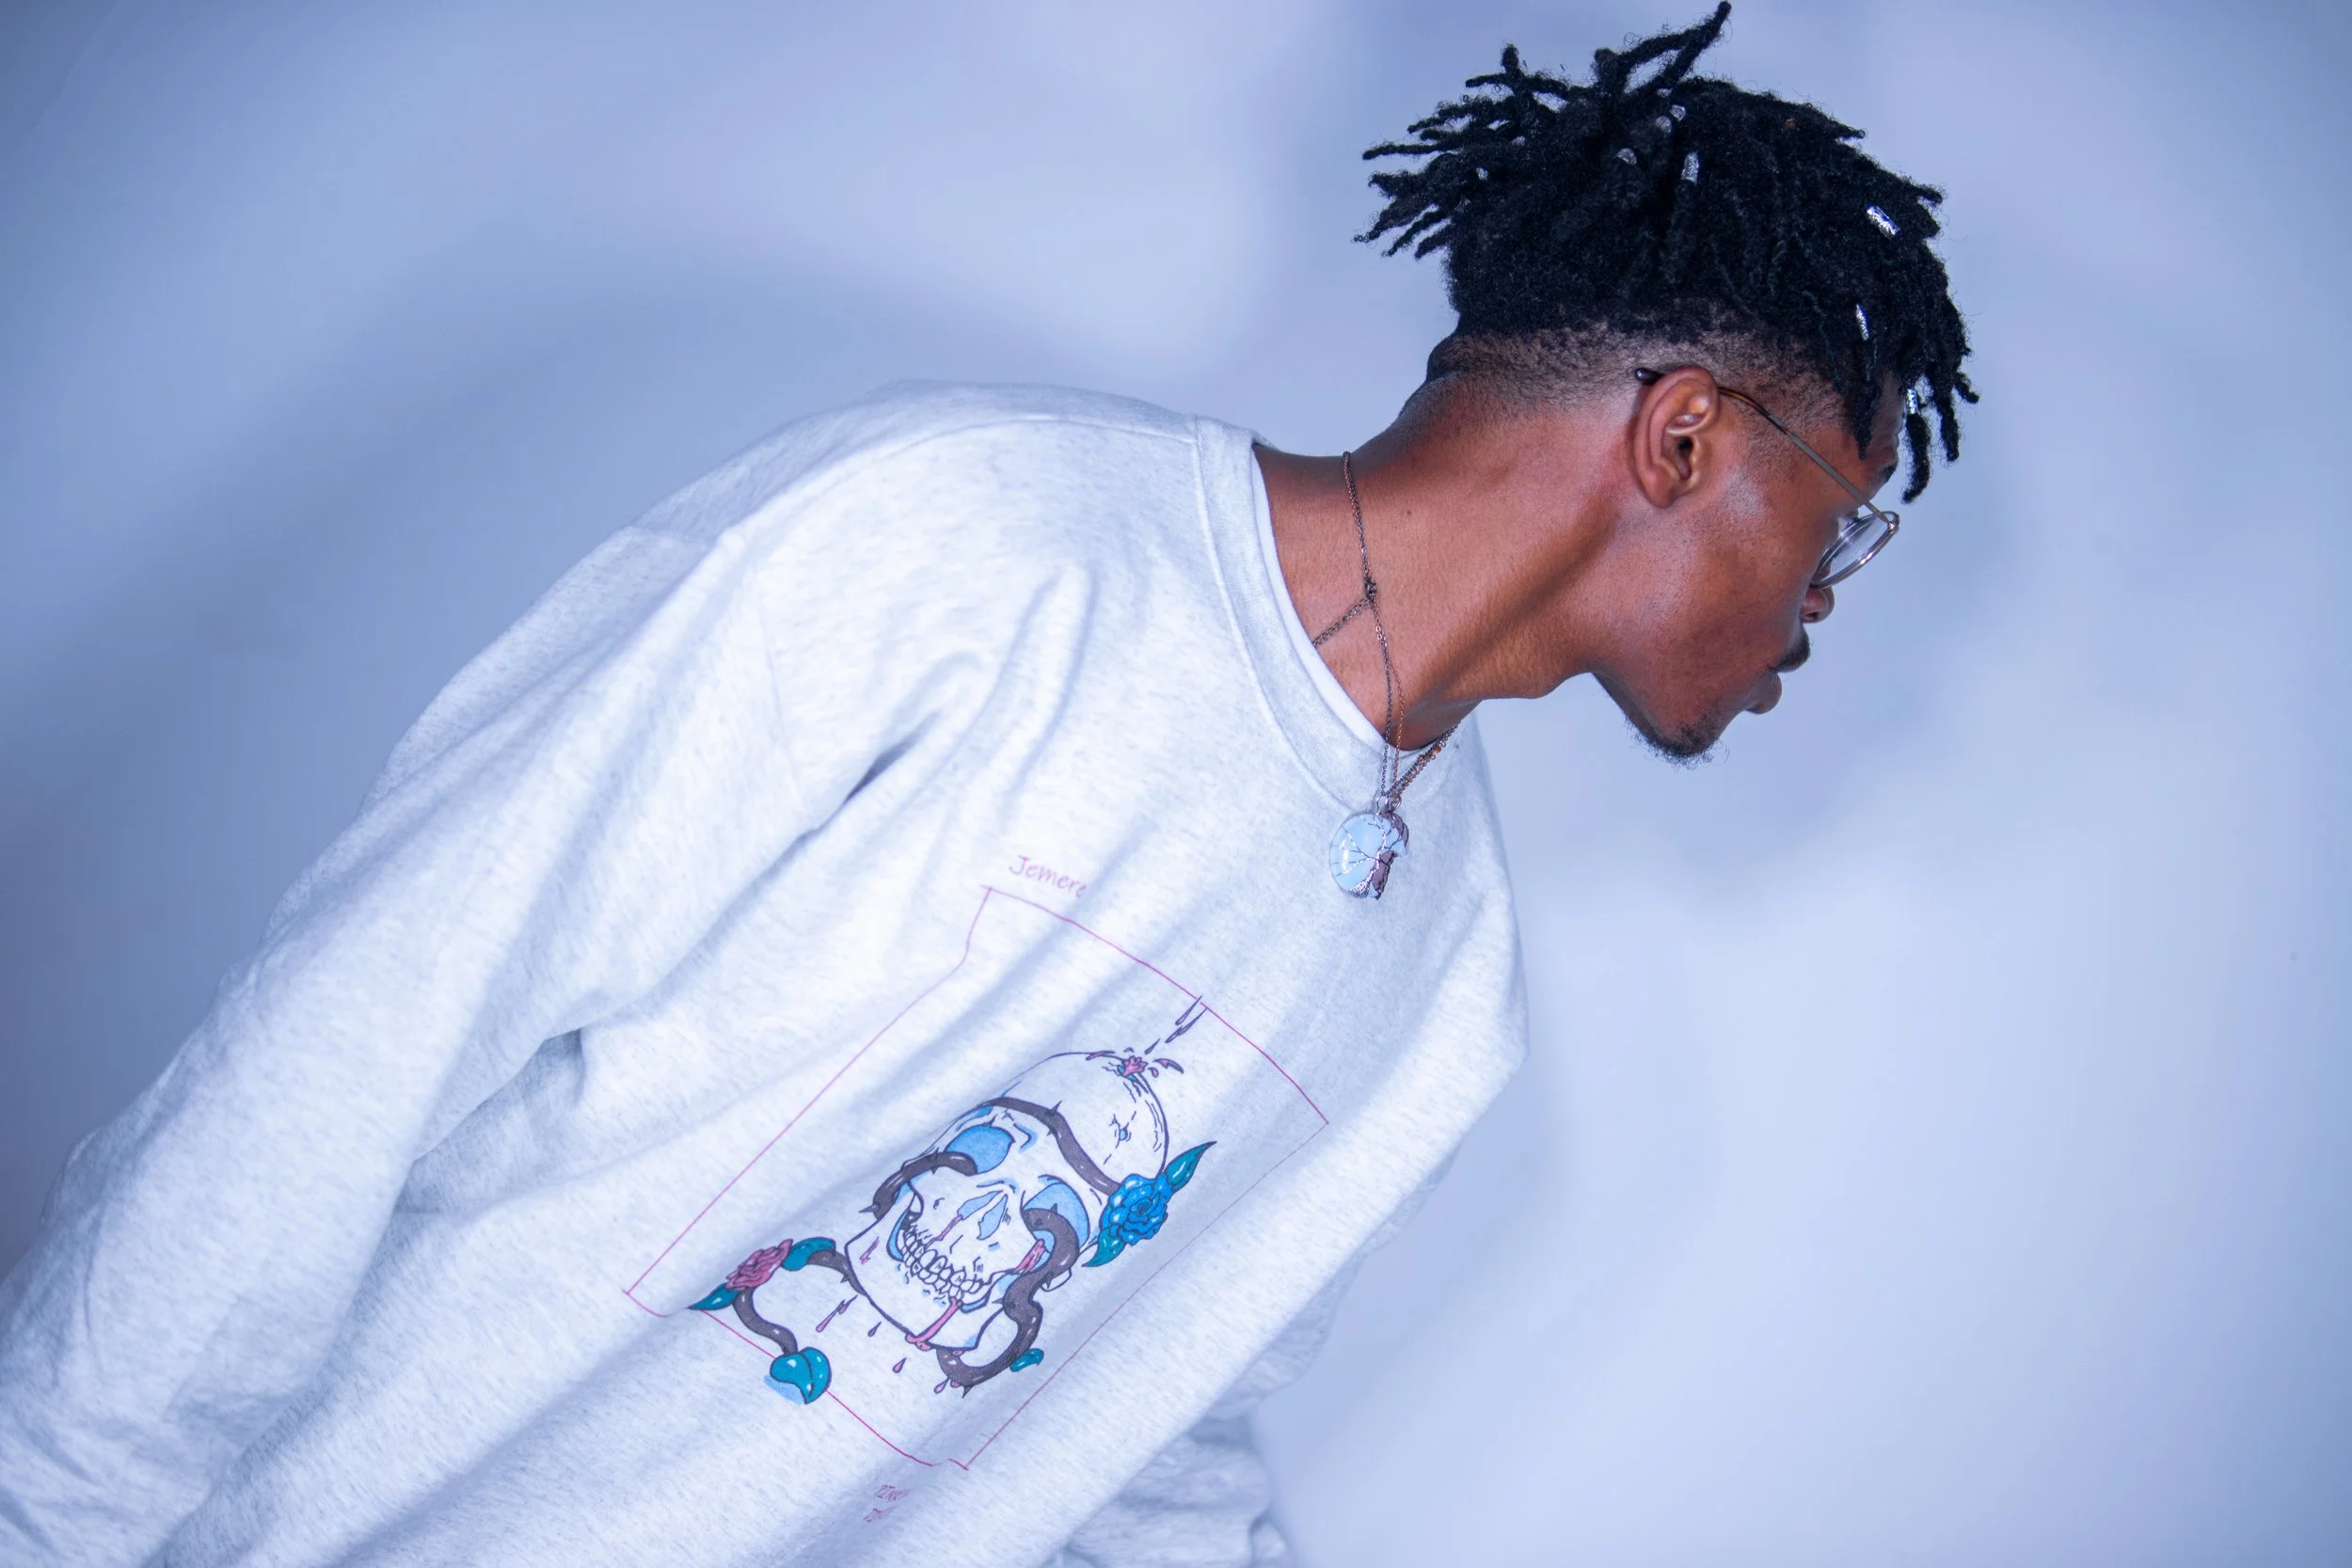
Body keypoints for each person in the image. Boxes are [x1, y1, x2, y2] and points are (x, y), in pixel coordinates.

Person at [0, 7, 1972, 1564]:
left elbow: (1143, 1421)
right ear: (1685, 437)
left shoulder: (1450, 990)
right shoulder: (970, 539)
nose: (1829, 597)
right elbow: (360, 1037)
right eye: (1846, 517)